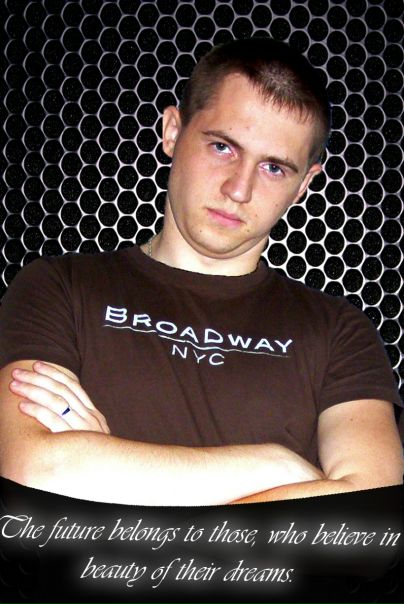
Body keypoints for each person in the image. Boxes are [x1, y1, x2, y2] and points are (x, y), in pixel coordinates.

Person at [0, 38, 402, 506]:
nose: (239, 188)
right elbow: (33, 469)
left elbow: (364, 513)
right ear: (173, 131)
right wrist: (274, 465)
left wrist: (107, 476)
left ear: (304, 184)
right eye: (222, 147)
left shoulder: (339, 331)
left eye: (274, 168)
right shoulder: (58, 287)